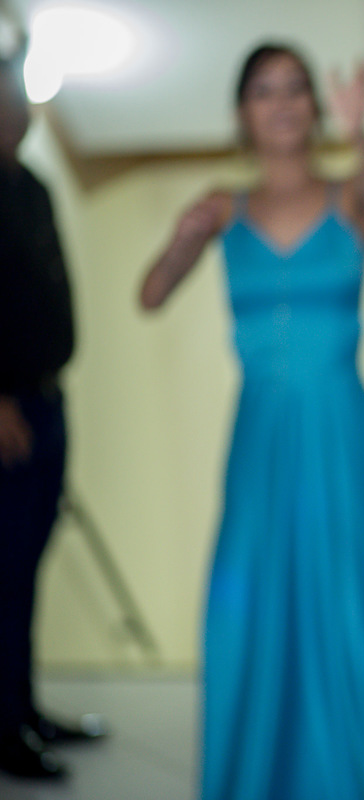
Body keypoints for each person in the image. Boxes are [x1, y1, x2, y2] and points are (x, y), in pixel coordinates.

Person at [140, 44, 364, 799]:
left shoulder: (349, 192)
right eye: (264, 90)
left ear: (314, 104)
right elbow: (150, 295)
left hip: (345, 434)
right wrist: (183, 238)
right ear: (241, 112)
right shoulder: (222, 207)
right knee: (256, 603)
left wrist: (362, 132)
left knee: (357, 604)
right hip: (260, 438)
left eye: (294, 88)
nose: (281, 103)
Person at [0, 49, 106, 781]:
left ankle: (24, 709)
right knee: (6, 570)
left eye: (20, 98)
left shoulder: (31, 186)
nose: (17, 111)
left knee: (29, 562)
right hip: (7, 410)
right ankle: (7, 729)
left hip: (46, 400)